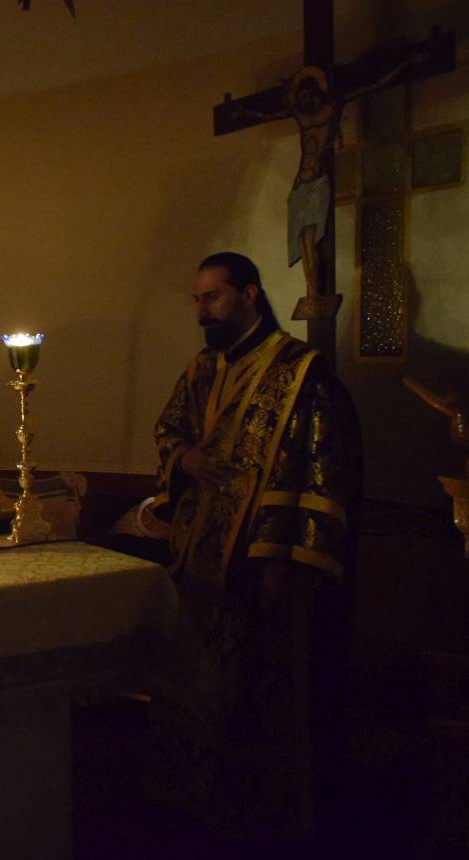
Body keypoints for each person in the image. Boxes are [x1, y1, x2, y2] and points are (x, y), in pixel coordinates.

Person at [145, 251, 363, 843]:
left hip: (261, 563)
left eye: (212, 297)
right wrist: (184, 458)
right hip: (197, 556)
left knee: (256, 697)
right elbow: (169, 429)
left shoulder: (301, 373)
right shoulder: (202, 369)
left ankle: (257, 821)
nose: (201, 311)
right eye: (196, 299)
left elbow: (319, 472)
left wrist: (279, 564)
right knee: (194, 686)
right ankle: (192, 802)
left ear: (249, 296)